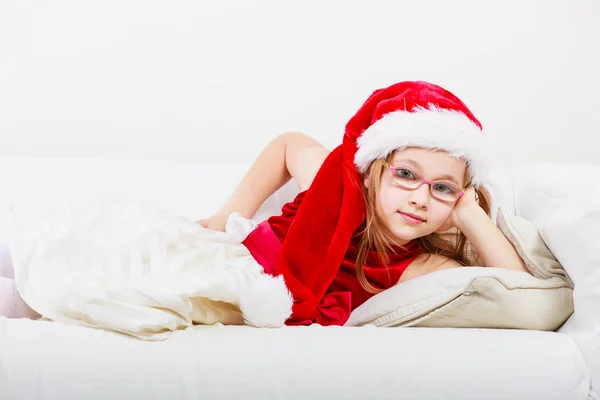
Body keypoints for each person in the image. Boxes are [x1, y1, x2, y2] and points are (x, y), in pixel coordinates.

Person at [197, 80, 529, 326]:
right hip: (228, 266)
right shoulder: (333, 190)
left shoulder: (425, 268)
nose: (420, 198)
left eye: (442, 187)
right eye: (406, 175)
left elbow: (520, 297)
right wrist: (228, 215)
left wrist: (470, 214)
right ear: (370, 174)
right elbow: (289, 144)